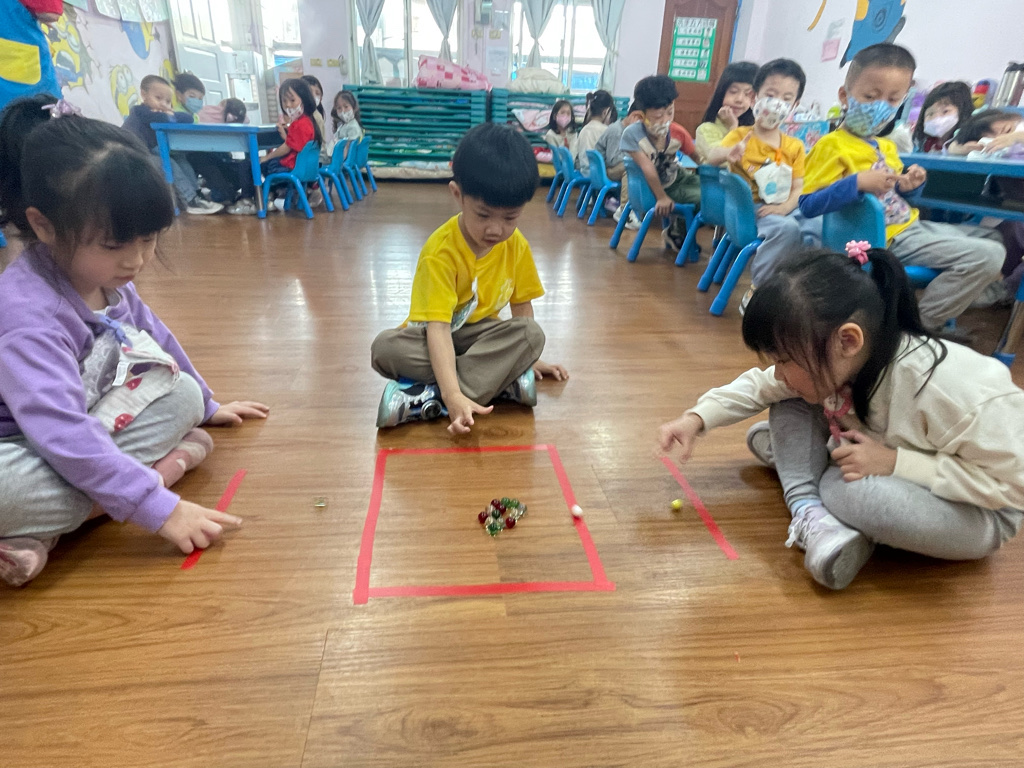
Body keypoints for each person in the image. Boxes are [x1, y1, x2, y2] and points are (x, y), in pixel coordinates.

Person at [0, 111, 269, 587]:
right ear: (43, 225)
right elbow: (59, 431)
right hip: (19, 447)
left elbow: (157, 338)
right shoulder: (27, 318)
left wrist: (208, 403)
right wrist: (159, 509)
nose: (138, 259)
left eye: (149, 239)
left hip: (76, 426)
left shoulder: (107, 279)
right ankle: (131, 488)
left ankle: (54, 525)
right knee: (12, 492)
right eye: (114, 244)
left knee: (183, 396)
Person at [658, 244, 1024, 591]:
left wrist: (896, 463)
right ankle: (813, 502)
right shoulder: (845, 358)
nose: (778, 371)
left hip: (979, 510)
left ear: (848, 340)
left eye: (784, 360)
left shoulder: (948, 391)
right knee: (790, 398)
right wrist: (696, 418)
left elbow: (1013, 489)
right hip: (881, 452)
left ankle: (811, 480)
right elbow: (760, 385)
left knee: (842, 489)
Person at [799, 43, 1005, 341]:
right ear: (845, 96)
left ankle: (929, 310)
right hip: (885, 238)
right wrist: (856, 183)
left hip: (910, 225)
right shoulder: (830, 145)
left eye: (893, 99)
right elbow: (808, 205)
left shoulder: (886, 146)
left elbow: (899, 197)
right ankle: (914, 330)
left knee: (994, 238)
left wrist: (910, 185)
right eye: (871, 96)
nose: (881, 106)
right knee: (988, 256)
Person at [370, 123, 567, 433]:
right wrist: (454, 393)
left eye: (510, 218)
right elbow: (438, 329)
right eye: (484, 215)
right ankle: (488, 385)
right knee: (384, 349)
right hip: (435, 336)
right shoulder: (440, 252)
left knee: (532, 335)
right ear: (457, 195)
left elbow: (522, 308)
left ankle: (427, 397)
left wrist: (527, 358)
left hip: (481, 337)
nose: (496, 229)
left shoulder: (516, 245)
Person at [706, 58, 819, 312]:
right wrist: (728, 153)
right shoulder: (740, 135)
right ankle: (759, 291)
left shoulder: (794, 146)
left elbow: (798, 187)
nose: (777, 103)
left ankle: (801, 291)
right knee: (787, 229)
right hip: (751, 211)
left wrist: (785, 207)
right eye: (771, 95)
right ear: (755, 97)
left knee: (819, 224)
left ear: (795, 106)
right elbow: (711, 156)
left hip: (783, 208)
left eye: (786, 98)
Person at [620, 74, 701, 251]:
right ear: (640, 116)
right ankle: (676, 231)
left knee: (712, 192)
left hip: (678, 176)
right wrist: (661, 197)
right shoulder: (632, 134)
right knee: (703, 199)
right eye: (658, 116)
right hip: (656, 187)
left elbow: (698, 158)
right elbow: (647, 166)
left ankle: (679, 227)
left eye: (670, 112)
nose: (666, 120)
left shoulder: (677, 132)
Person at [121, 75, 223, 215]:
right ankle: (191, 200)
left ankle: (196, 194)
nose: (163, 104)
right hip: (132, 155)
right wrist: (169, 115)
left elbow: (187, 118)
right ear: (144, 95)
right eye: (158, 98)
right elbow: (163, 118)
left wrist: (170, 114)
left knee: (181, 160)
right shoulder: (140, 111)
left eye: (168, 101)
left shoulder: (159, 112)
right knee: (169, 164)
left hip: (149, 151)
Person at [261, 78, 322, 207]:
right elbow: (296, 143)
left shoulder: (299, 124)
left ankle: (270, 195)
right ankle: (284, 191)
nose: (288, 105)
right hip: (305, 167)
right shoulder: (309, 121)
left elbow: (287, 148)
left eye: (292, 100)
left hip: (293, 166)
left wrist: (267, 156)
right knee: (272, 163)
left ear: (304, 99)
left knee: (265, 164)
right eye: (284, 101)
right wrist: (286, 135)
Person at [594, 100, 645, 229]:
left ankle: (638, 209)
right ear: (635, 116)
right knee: (630, 169)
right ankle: (624, 210)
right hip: (607, 170)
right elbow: (613, 160)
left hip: (609, 168)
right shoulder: (617, 131)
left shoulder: (628, 131)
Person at [694, 61, 757, 163]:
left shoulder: (755, 129)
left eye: (747, 94)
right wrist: (733, 127)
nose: (739, 99)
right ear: (721, 92)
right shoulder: (706, 128)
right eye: (733, 91)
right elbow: (719, 159)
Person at [911, 81, 973, 153]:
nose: (936, 118)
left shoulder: (968, 143)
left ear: (963, 112)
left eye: (945, 111)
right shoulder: (923, 143)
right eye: (930, 114)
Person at [576, 90, 618, 174]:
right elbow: (613, 160)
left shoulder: (584, 129)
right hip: (598, 175)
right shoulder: (606, 131)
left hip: (584, 172)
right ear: (606, 112)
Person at [301, 75, 334, 165]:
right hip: (317, 158)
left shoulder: (314, 117)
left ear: (321, 98)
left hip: (317, 159)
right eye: (310, 92)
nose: (314, 96)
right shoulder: (312, 115)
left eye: (317, 93)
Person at [330, 90, 364, 161]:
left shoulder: (353, 127)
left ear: (354, 108)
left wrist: (337, 161)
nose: (343, 111)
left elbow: (349, 149)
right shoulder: (343, 125)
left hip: (343, 161)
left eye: (346, 107)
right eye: (339, 108)